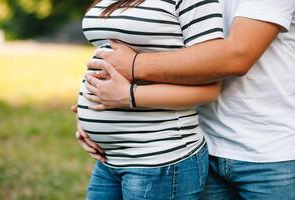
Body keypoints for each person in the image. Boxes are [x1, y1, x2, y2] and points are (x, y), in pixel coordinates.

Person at [76, 0, 295, 199]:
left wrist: (133, 68)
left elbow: (237, 56)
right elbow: (147, 42)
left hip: (267, 153)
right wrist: (94, 107)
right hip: (202, 140)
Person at [76, 0, 224, 199]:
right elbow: (106, 53)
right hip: (109, 160)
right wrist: (87, 110)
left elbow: (210, 87)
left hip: (159, 158)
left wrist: (129, 96)